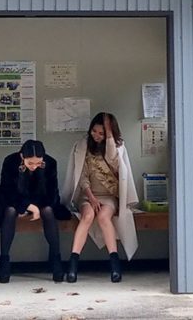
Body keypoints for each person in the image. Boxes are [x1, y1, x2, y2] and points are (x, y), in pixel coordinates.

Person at [61, 112, 139, 283]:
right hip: (88, 195)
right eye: (94, 131)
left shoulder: (118, 147)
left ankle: (114, 264)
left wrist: (110, 135)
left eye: (101, 133)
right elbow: (82, 177)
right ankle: (73, 264)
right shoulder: (82, 146)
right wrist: (91, 198)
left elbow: (113, 160)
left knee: (104, 217)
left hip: (109, 196)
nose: (96, 136)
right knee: (87, 216)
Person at [0, 140, 71, 283]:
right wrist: (26, 206)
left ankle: (56, 258)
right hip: (14, 199)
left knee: (49, 211)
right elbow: (7, 190)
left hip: (41, 199)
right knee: (10, 212)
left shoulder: (50, 163)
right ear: (22, 157)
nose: (34, 167)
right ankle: (4, 260)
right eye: (30, 163)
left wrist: (37, 207)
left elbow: (52, 193)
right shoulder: (10, 161)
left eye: (38, 163)